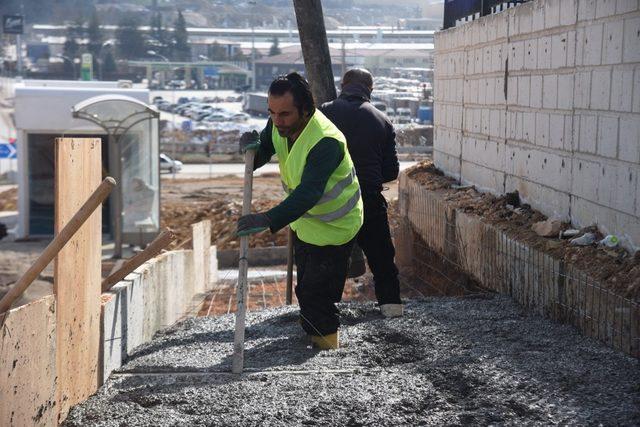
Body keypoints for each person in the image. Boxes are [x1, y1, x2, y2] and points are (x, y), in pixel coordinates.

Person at [236, 72, 363, 350]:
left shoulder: (325, 141)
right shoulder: (279, 125)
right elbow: (263, 151)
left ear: (305, 110)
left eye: (284, 114)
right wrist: (249, 152)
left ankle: (327, 346)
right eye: (272, 113)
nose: (277, 121)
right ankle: (316, 338)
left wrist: (269, 219)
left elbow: (309, 192)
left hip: (336, 226)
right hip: (307, 224)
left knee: (317, 294)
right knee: (305, 289)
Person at [320, 68, 403, 318]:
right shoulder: (382, 120)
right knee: (382, 260)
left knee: (330, 260)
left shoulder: (323, 114)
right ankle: (392, 310)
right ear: (371, 89)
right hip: (368, 197)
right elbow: (391, 171)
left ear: (343, 85)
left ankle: (326, 316)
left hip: (331, 200)